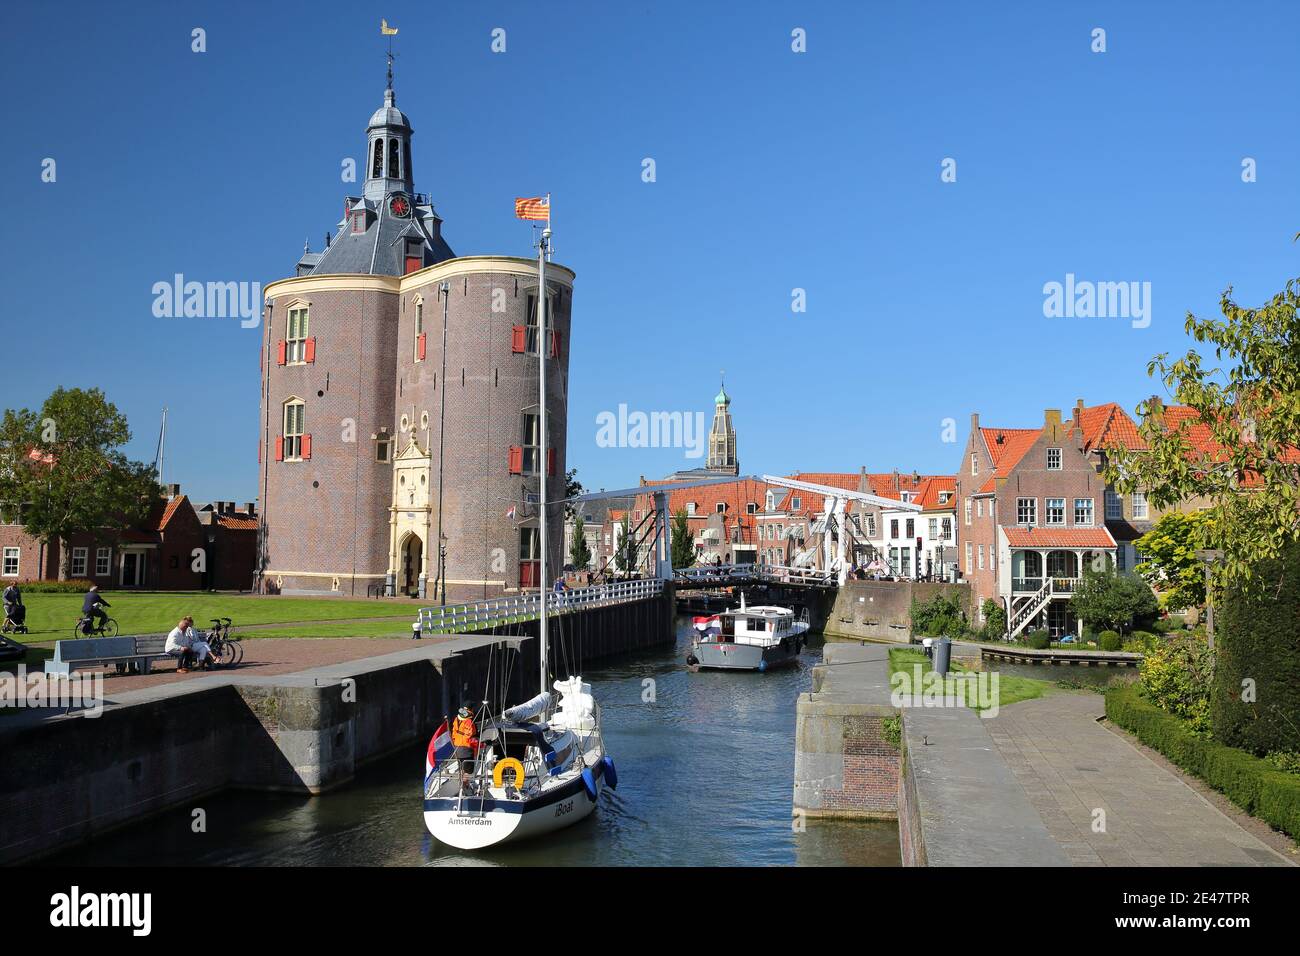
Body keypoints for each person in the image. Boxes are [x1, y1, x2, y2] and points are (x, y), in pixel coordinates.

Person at [450, 704, 479, 792]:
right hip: (466, 749)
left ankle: (461, 788)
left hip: (457, 748)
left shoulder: (456, 719)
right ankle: (464, 788)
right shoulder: (469, 721)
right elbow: (470, 735)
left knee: (461, 769)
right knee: (468, 772)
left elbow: (454, 733)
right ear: (471, 709)